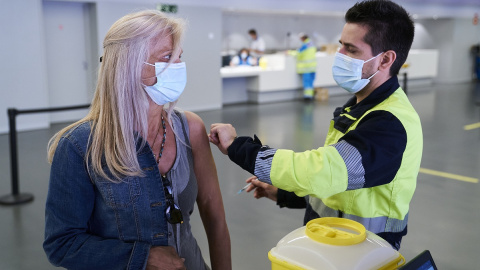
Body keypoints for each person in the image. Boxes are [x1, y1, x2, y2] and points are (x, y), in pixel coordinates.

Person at [209, 0, 422, 251]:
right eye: (340, 45)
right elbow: (336, 184)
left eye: (351, 50)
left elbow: (318, 171)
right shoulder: (359, 107)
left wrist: (238, 147)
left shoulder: (389, 123)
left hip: (363, 251)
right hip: (334, 241)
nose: (339, 55)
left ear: (385, 59)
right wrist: (283, 193)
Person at [43, 10, 231, 270]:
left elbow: (214, 214)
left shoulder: (191, 128)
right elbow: (62, 243)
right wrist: (144, 258)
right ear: (129, 65)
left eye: (179, 57)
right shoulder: (80, 146)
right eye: (167, 57)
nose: (177, 66)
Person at [287, 33, 317, 100]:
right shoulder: (311, 44)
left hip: (306, 67)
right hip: (313, 67)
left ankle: (307, 96)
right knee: (311, 82)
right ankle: (311, 95)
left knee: (307, 82)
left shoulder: (305, 45)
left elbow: (298, 53)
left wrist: (289, 52)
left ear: (303, 38)